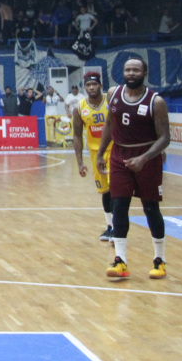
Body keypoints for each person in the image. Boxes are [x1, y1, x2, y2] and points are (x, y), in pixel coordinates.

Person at [96, 57, 171, 280]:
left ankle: (160, 260)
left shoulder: (155, 102)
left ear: (144, 73)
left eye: (135, 70)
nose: (130, 73)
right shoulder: (113, 94)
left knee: (150, 209)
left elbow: (165, 137)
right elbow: (110, 124)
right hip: (119, 155)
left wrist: (144, 158)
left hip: (146, 157)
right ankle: (120, 261)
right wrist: (101, 153)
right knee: (118, 205)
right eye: (127, 69)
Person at [73, 72, 114, 242]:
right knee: (105, 191)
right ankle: (110, 226)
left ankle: (118, 227)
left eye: (94, 85)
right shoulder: (79, 107)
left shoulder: (111, 101)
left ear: (101, 86)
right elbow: (76, 135)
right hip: (95, 153)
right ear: (85, 87)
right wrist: (80, 162)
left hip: (115, 150)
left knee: (116, 188)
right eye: (88, 85)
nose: (91, 88)